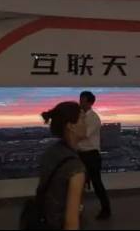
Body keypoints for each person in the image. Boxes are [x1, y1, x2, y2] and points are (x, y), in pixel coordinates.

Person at [32, 102, 86, 230]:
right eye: (83, 120)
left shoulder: (51, 152)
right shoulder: (75, 168)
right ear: (71, 126)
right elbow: (71, 222)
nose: (86, 124)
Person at [77, 91, 111, 220]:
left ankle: (106, 210)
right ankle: (76, 210)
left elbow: (84, 134)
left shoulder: (93, 118)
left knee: (96, 183)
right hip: (81, 154)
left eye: (82, 100)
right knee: (79, 184)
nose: (80, 103)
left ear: (90, 102)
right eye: (80, 100)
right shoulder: (81, 115)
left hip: (91, 155)